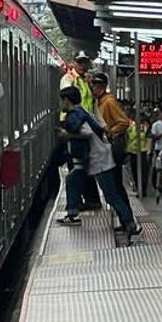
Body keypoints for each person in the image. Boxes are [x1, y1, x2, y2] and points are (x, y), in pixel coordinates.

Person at [56, 87, 141, 238]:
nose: (60, 103)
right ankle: (72, 213)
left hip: (98, 158)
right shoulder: (82, 112)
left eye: (61, 100)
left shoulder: (74, 115)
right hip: (95, 156)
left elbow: (87, 133)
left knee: (111, 195)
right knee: (72, 179)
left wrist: (67, 134)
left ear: (67, 100)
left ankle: (131, 225)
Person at [58, 51, 101, 211]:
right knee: (78, 164)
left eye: (85, 62)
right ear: (74, 62)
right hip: (73, 123)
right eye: (80, 62)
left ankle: (87, 200)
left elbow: (92, 104)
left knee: (81, 165)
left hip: (83, 124)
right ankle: (87, 199)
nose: (83, 66)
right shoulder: (69, 79)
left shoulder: (85, 80)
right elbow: (67, 100)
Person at [89, 72, 133, 209]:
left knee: (116, 185)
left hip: (114, 149)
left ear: (101, 87)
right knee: (114, 185)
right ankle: (124, 219)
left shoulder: (109, 102)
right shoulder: (101, 102)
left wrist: (109, 132)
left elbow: (124, 122)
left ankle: (127, 219)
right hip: (109, 148)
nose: (92, 89)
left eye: (94, 86)